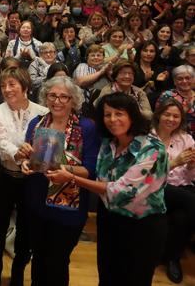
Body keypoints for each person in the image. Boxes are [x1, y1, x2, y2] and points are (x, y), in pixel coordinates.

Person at [52, 93, 167, 286]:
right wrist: (57, 165)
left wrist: (71, 178)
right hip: (109, 219)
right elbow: (90, 170)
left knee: (134, 279)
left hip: (141, 226)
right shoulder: (108, 144)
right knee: (107, 276)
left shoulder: (152, 149)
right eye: (107, 115)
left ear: (132, 115)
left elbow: (121, 192)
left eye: (119, 113)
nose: (113, 120)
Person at [18, 76, 100, 286]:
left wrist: (67, 171)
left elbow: (90, 169)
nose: (57, 101)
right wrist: (25, 162)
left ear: (73, 100)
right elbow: (29, 159)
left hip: (68, 208)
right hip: (36, 201)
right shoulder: (37, 124)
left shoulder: (86, 127)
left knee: (58, 261)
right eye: (52, 95)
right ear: (45, 98)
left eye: (64, 97)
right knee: (38, 258)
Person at [0, 67, 48, 286]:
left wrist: (30, 157)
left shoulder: (42, 112)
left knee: (26, 227)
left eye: (12, 84)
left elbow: (45, 144)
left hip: (32, 180)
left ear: (25, 87)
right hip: (5, 177)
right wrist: (19, 154)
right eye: (3, 85)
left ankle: (19, 270)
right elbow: (0, 143)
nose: (7, 89)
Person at [151, 99, 195, 283]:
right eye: (167, 114)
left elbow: (190, 176)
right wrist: (175, 162)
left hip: (181, 189)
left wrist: (191, 166)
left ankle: (171, 258)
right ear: (159, 115)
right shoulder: (146, 138)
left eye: (176, 116)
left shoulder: (186, 139)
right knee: (191, 202)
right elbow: (147, 174)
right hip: (154, 187)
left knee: (182, 217)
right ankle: (171, 257)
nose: (171, 119)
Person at [157, 64, 195, 135]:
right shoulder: (167, 96)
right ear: (174, 81)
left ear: (193, 79)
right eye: (180, 79)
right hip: (173, 135)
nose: (184, 81)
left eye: (187, 78)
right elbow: (158, 118)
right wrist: (183, 111)